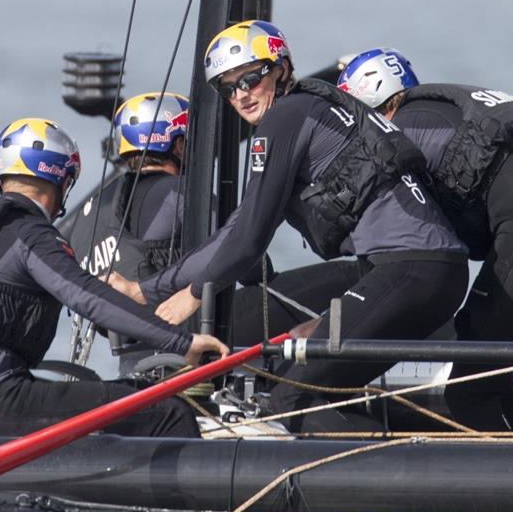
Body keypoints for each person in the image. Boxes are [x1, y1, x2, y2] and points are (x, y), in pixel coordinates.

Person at [105, 21, 469, 433]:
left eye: (250, 78)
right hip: (429, 272)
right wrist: (147, 289)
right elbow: (239, 227)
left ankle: (390, 484)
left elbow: (248, 240)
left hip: (408, 270)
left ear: (280, 68)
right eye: (228, 87)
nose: (241, 95)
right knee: (323, 385)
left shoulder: (284, 119)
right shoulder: (310, 108)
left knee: (291, 396)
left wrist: (190, 295)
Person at [0, 117, 229, 437]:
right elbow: (88, 297)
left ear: (2, 176)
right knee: (167, 411)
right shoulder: (28, 232)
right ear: (61, 182)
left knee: (121, 397)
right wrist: (181, 343)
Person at [338, 48, 513, 430]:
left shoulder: (400, 132)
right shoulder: (442, 109)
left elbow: (410, 239)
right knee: (492, 373)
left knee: (469, 389)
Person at [62, 91, 361, 354]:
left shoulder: (96, 207)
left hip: (134, 348)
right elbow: (253, 264)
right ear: (178, 146)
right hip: (188, 328)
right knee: (356, 276)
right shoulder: (180, 195)